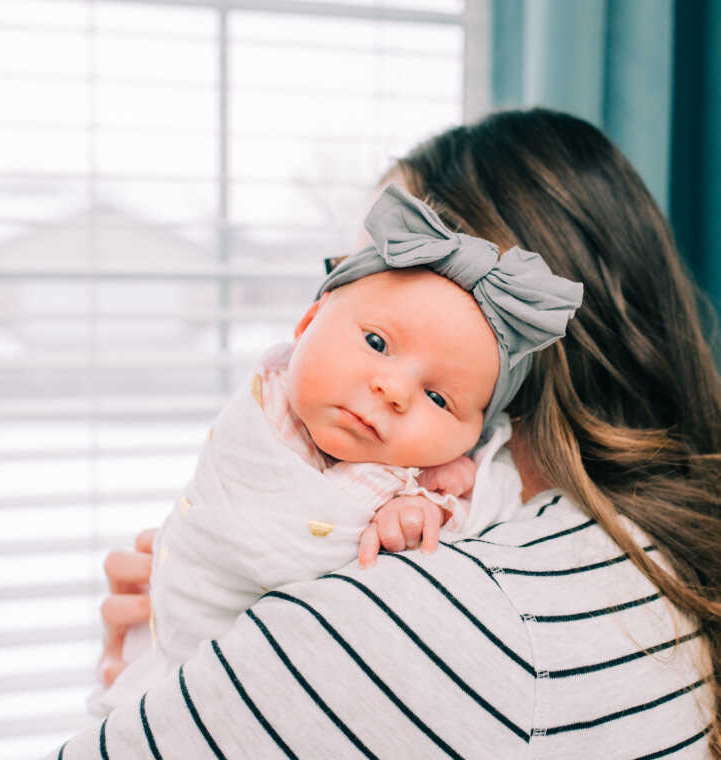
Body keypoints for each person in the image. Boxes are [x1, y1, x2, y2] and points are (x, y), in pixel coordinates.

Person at [50, 108, 720, 759]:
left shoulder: (409, 617)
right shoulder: (651, 561)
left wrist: (181, 694)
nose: (386, 386)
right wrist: (199, 681)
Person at [86, 183, 583, 716]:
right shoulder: (268, 400)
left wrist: (438, 503)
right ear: (306, 323)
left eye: (439, 398)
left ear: (477, 435)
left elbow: (488, 499)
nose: (393, 390)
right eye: (376, 342)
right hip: (173, 634)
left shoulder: (429, 493)